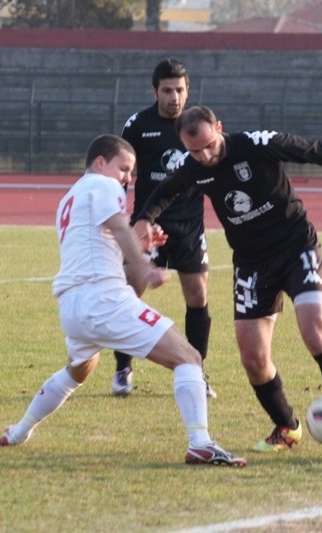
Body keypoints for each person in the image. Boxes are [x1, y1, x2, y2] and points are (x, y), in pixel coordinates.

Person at [132, 106, 322, 457]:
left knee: (316, 333)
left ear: (220, 127)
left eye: (209, 145)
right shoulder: (193, 166)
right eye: (194, 151)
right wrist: (144, 220)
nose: (204, 155)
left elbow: (315, 151)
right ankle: (287, 427)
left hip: (296, 248)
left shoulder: (257, 144)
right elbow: (163, 193)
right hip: (251, 263)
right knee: (252, 357)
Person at [0, 133, 246, 467]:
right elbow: (116, 226)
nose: (128, 178)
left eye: (132, 172)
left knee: (78, 371)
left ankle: (19, 431)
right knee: (188, 357)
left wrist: (140, 241)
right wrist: (145, 268)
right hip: (103, 300)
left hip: (72, 305)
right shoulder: (104, 186)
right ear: (101, 162)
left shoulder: (71, 197)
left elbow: (102, 244)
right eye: (124, 169)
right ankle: (200, 443)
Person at [112, 58, 215, 399]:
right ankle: (122, 369)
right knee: (130, 295)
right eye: (168, 90)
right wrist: (120, 217)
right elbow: (120, 172)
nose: (175, 97)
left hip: (189, 226)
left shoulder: (199, 125)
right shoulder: (138, 125)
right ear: (154, 91)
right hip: (147, 223)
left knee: (198, 297)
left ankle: (197, 372)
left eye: (180, 90)